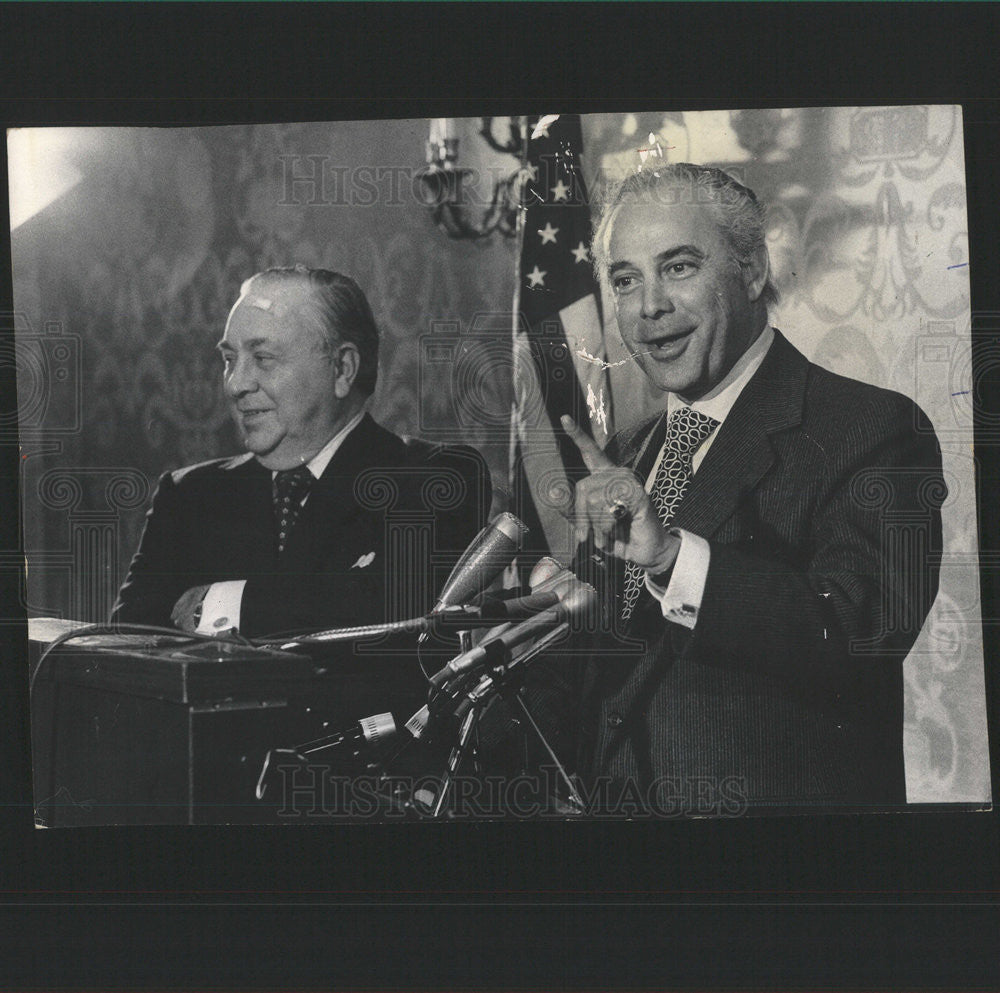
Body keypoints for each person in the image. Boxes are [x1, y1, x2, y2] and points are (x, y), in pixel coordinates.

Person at [560, 164, 944, 813]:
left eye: (678, 267)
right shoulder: (625, 453)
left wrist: (673, 560)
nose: (648, 304)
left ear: (753, 271)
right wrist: (548, 622)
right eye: (625, 280)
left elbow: (864, 629)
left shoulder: (872, 427)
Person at [112, 265, 491, 640]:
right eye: (229, 360)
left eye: (263, 358)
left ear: (342, 369)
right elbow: (128, 647)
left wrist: (221, 604)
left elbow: (393, 610)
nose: (236, 384)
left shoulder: (435, 478)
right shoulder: (189, 496)